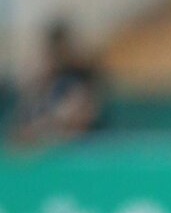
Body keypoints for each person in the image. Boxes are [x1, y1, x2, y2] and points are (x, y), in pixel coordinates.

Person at [6, 19, 104, 147]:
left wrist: (52, 124)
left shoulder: (77, 79)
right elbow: (20, 130)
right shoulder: (39, 87)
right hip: (43, 144)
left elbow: (83, 115)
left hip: (76, 145)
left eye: (63, 48)